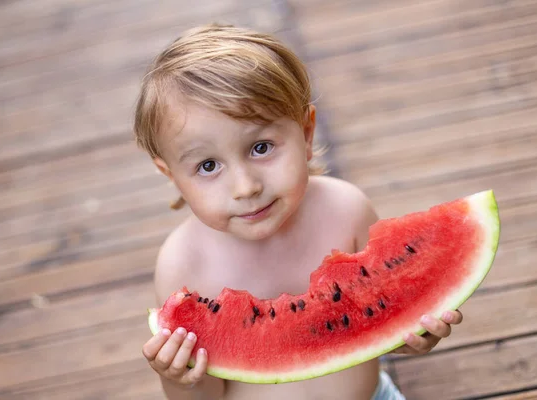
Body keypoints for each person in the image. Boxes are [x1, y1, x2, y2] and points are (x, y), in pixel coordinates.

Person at [135, 24, 463, 400]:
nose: (246, 187)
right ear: (171, 174)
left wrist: (408, 335)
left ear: (306, 134)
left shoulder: (347, 210)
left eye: (261, 147)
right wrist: (178, 378)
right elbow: (204, 396)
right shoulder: (182, 265)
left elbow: (377, 325)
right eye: (208, 166)